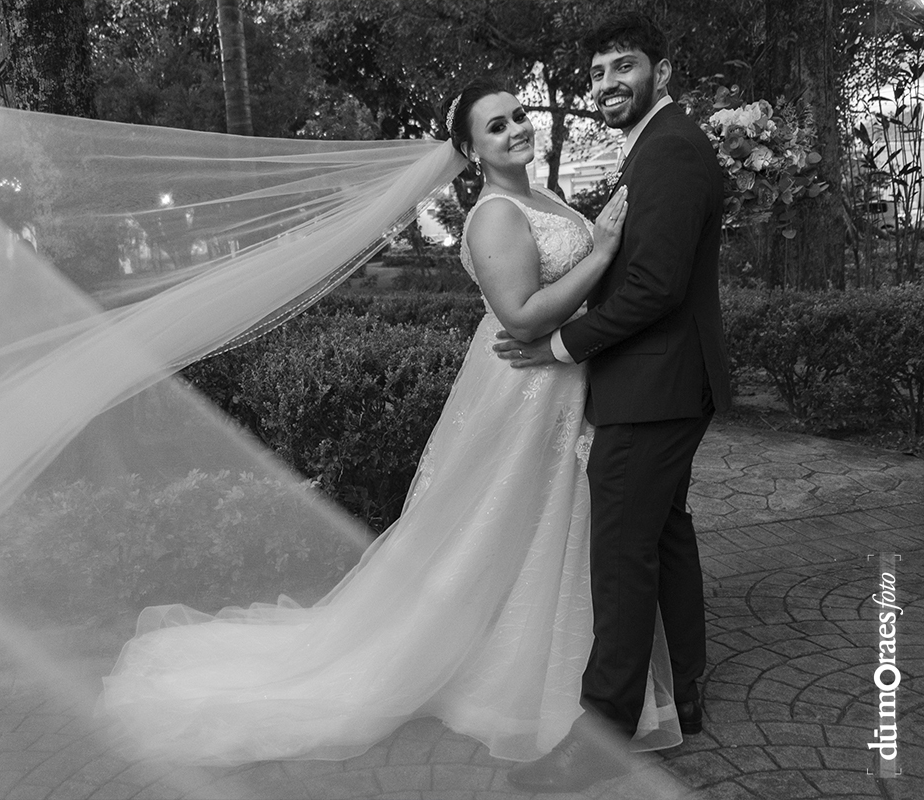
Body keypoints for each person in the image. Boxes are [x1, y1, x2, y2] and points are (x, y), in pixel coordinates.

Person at [96, 78, 684, 766]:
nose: (517, 128)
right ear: (469, 149)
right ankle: (473, 659)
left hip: (563, 380)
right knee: (498, 521)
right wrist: (605, 251)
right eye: (496, 127)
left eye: (519, 115)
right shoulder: (494, 214)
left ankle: (546, 653)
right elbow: (524, 317)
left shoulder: (542, 196)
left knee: (549, 521)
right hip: (525, 390)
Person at [497, 12, 731, 793]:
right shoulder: (660, 147)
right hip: (667, 382)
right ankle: (687, 692)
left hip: (653, 385)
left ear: (660, 73)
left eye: (623, 67)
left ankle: (600, 734)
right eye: (598, 73)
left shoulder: (668, 151)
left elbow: (656, 288)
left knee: (621, 557)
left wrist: (561, 347)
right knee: (663, 536)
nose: (607, 85)